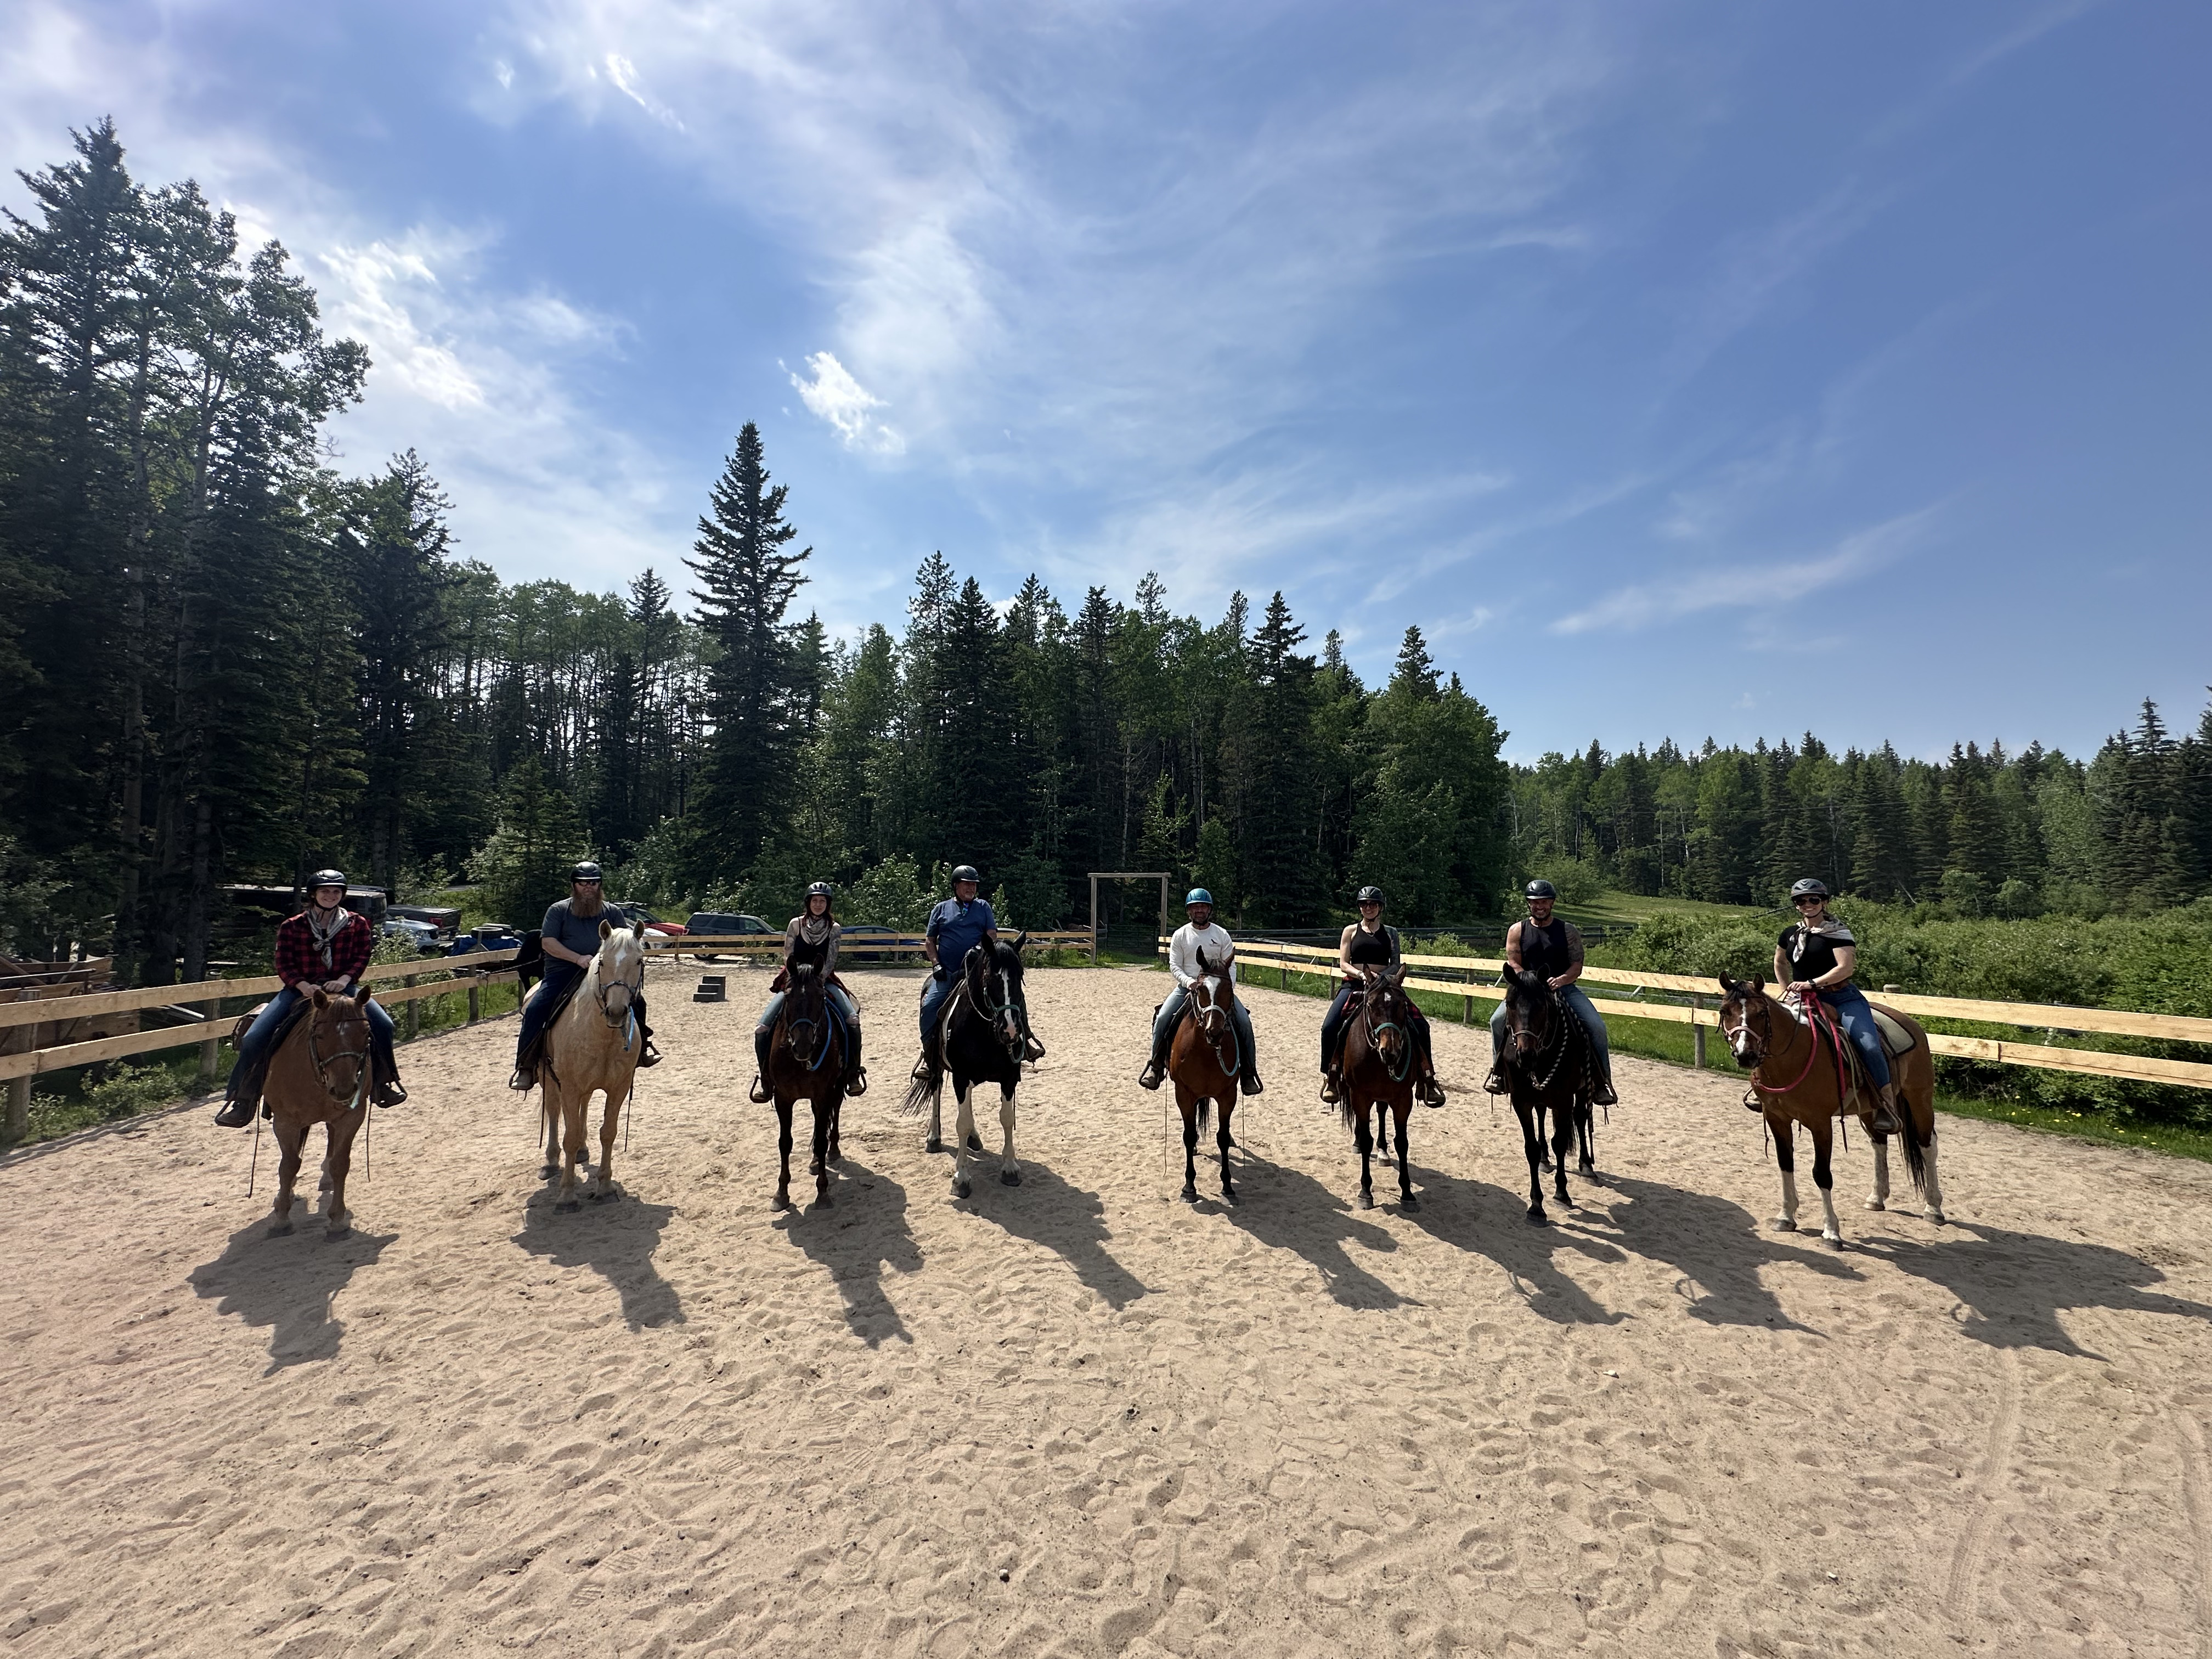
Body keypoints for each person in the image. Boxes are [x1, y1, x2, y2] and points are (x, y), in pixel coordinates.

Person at [214, 871, 404, 1126]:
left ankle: (384, 1083)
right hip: (299, 990)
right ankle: (242, 1099)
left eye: (336, 892)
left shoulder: (357, 924)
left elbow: (362, 956)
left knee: (384, 1025)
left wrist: (344, 980)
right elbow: (283, 963)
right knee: (254, 1037)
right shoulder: (292, 926)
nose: (330, 896)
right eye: (325, 891)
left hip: (343, 988)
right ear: (314, 894)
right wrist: (303, 985)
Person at [510, 862, 658, 1091]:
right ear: (574, 885)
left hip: (604, 973)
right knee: (536, 1008)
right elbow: (548, 943)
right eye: (583, 883)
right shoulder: (558, 911)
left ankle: (642, 1050)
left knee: (638, 1003)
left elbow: (625, 943)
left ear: (599, 885)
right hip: (563, 973)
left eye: (593, 883)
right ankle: (526, 1066)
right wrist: (577, 958)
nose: (588, 887)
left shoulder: (612, 912)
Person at [1775, 877, 1898, 1131]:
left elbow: (1845, 968)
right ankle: (1766, 1090)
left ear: (1825, 902)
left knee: (1869, 1045)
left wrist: (1812, 983)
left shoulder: (1838, 933)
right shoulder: (1789, 934)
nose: (1807, 904)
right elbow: (1779, 962)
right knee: (1772, 1032)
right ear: (1796, 905)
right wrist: (1786, 989)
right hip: (1803, 999)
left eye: (1814, 899)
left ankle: (1886, 1104)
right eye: (1801, 900)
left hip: (1842, 998)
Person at [1483, 879, 1617, 1106]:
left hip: (1563, 988)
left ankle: (1601, 1080)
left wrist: (1562, 979)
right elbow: (1514, 962)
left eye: (1544, 902)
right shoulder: (1517, 930)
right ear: (1529, 904)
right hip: (1527, 991)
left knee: (1596, 1026)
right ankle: (1499, 1072)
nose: (1540, 907)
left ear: (1552, 903)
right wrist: (1530, 982)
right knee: (1496, 1021)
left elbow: (1577, 965)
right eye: (1535, 903)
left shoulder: (1567, 931)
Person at [1319, 886, 1445, 1107]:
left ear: (1380, 907)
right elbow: (1344, 963)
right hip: (1355, 984)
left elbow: (1395, 963)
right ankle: (1331, 1076)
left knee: (1421, 1026)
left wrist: (1381, 978)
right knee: (1330, 1027)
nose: (1368, 908)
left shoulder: (1391, 933)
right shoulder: (1350, 931)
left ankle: (1427, 1078)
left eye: (1373, 904)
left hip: (1385, 986)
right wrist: (1362, 975)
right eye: (1364, 904)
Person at [1137, 889, 1263, 1095]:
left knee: (1244, 1022)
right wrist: (1189, 983)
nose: (1199, 910)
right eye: (1195, 907)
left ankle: (1249, 1073)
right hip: (1187, 988)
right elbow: (1175, 965)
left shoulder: (1221, 935)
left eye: (1203, 907)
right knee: (1163, 1018)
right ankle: (1156, 1066)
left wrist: (1226, 988)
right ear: (1189, 911)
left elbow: (1231, 966)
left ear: (1209, 910)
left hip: (1217, 990)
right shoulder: (1181, 935)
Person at [751, 882, 866, 1102]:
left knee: (852, 1019)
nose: (818, 904)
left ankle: (852, 1072)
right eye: (815, 900)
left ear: (828, 904)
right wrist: (796, 978)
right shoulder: (795, 924)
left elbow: (830, 959)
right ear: (808, 903)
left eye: (823, 901)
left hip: (822, 980)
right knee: (762, 1028)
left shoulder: (834, 928)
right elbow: (788, 955)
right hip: (795, 980)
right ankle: (766, 1079)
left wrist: (816, 981)